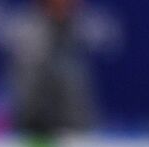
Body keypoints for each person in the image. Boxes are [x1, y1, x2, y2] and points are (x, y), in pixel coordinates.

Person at [9, 0, 99, 134]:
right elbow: (29, 99)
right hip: (44, 136)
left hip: (75, 134)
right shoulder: (32, 38)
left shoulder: (71, 30)